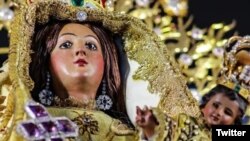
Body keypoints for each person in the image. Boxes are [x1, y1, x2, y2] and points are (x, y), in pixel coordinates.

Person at [0, 0, 201, 140]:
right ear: (44, 61)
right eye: (66, 45)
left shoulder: (126, 134)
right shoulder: (27, 120)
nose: (80, 50)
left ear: (109, 64)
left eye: (91, 46)